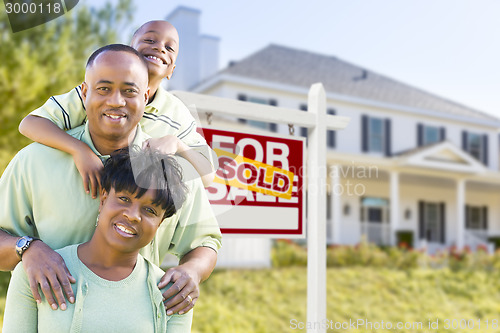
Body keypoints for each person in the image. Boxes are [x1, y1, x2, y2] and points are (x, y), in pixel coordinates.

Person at [0, 44, 221, 317]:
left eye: (129, 91)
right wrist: (27, 248)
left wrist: (192, 272)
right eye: (103, 88)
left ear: (146, 95)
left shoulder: (173, 172)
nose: (116, 101)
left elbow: (205, 242)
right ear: (84, 92)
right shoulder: (33, 161)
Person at [3, 148, 193, 332]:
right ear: (103, 199)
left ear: (159, 224)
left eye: (150, 210)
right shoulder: (37, 271)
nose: (133, 216)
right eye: (124, 199)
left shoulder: (173, 293)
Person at [18, 20, 217, 195]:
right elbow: (30, 124)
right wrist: (79, 150)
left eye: (169, 47)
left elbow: (208, 175)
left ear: (171, 70)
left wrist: (177, 144)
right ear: (129, 50)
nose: (159, 48)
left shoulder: (176, 113)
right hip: (78, 190)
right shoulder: (96, 94)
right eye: (150, 40)